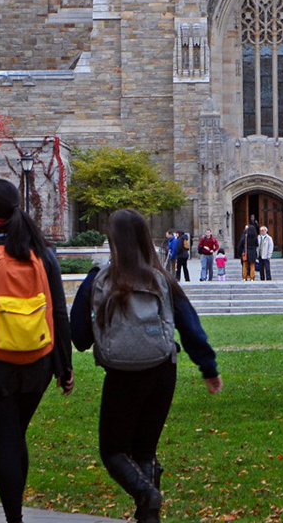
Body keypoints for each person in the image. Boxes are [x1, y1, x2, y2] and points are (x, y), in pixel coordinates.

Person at [71, 209, 222, 523]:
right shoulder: (161, 278)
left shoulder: (99, 277)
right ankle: (148, 516)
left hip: (121, 373)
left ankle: (146, 495)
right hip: (162, 369)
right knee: (144, 450)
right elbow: (190, 325)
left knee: (113, 451)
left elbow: (80, 337)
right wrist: (208, 367)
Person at [0, 178, 75, 523]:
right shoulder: (42, 252)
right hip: (39, 361)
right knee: (16, 434)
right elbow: (59, 311)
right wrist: (64, 366)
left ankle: (14, 520)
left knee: (6, 440)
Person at [239, 216, 259, 281]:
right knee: (252, 265)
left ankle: (245, 277)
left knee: (245, 265)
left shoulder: (245, 236)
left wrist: (239, 252)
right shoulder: (255, 237)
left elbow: (241, 244)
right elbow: (257, 244)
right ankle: (252, 277)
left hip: (246, 251)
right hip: (252, 252)